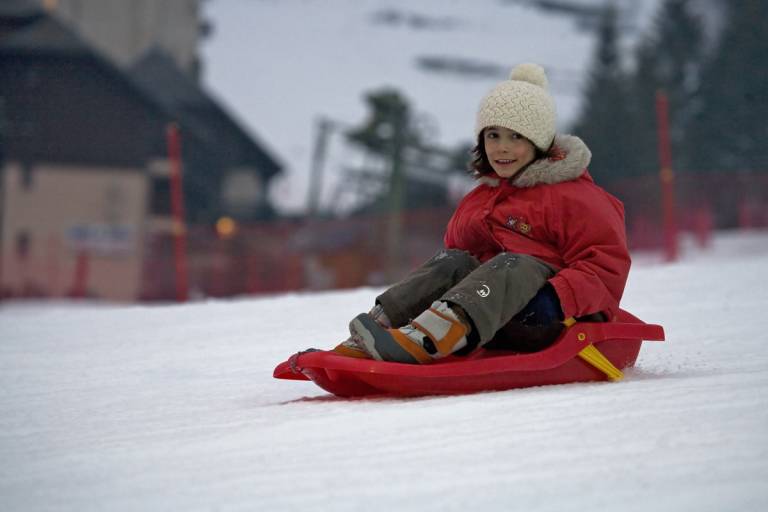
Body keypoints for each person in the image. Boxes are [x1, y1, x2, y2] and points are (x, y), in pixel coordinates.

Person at [333, 62, 630, 364]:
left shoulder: (573, 197)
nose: (502, 148)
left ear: (539, 142)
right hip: (485, 318)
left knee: (515, 263)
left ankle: (428, 338)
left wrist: (555, 299)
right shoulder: (480, 200)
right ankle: (379, 329)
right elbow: (455, 260)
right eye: (493, 135)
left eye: (516, 137)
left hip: (547, 319)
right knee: (453, 261)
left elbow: (606, 267)